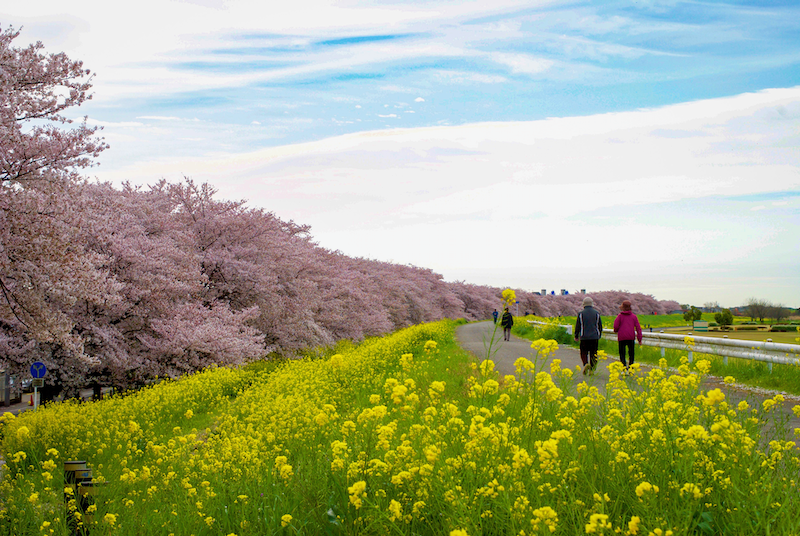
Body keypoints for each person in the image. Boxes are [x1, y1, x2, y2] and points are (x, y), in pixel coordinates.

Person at [574, 297, 602, 375]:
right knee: (594, 353)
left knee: (583, 352)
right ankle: (592, 369)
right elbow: (599, 325)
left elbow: (578, 326)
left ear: (583, 304)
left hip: (584, 336)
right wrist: (599, 335)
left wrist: (576, 335)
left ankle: (586, 363)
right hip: (594, 336)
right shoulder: (597, 313)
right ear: (592, 304)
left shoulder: (581, 314)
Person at [613, 300, 642, 374]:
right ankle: (631, 368)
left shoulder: (620, 316)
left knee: (622, 353)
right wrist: (639, 339)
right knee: (631, 353)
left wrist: (616, 330)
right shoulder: (634, 317)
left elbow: (616, 326)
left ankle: (624, 368)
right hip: (630, 337)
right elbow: (638, 328)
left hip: (622, 337)